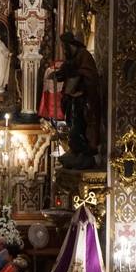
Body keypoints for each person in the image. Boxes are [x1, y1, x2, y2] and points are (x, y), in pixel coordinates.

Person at [56, 31, 103, 169]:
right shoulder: (74, 58)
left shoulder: (84, 55)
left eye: (65, 47)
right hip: (74, 99)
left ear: (71, 45)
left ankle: (84, 152)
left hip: (84, 100)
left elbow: (89, 74)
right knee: (72, 124)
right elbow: (67, 69)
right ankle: (76, 151)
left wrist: (75, 74)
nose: (64, 51)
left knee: (79, 127)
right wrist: (58, 74)